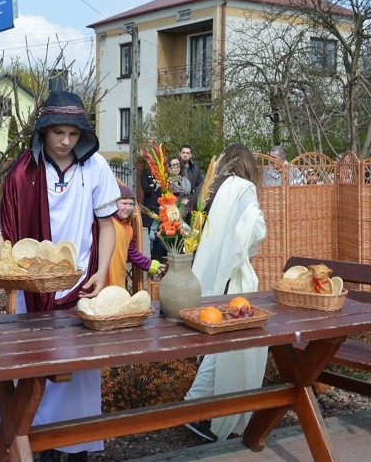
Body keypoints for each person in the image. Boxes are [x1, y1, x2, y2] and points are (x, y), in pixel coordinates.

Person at [0, 90, 119, 462]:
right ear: (43, 130)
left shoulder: (95, 168)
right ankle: (45, 451)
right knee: (34, 376)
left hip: (80, 290)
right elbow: (0, 233)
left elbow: (107, 225)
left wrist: (98, 271)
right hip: (31, 292)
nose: (65, 141)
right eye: (58, 132)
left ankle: (78, 456)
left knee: (78, 379)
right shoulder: (21, 172)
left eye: (73, 133)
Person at [183, 142, 267, 442]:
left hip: (209, 276)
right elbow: (253, 230)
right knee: (232, 349)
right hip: (234, 280)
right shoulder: (244, 189)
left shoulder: (214, 189)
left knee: (224, 348)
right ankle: (198, 410)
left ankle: (199, 409)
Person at [108, 185, 165, 288]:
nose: (128, 208)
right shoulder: (104, 224)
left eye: (131, 204)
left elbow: (132, 253)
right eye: (124, 203)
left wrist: (153, 265)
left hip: (118, 275)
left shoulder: (128, 227)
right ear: (114, 203)